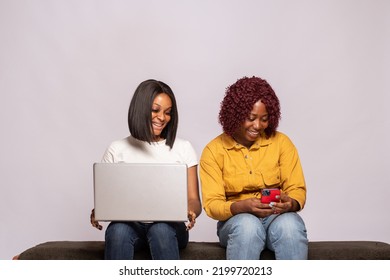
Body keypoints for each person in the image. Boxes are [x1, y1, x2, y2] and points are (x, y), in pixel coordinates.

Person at [90, 79, 202, 260]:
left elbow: (194, 200)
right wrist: (99, 211)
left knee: (160, 229)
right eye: (155, 110)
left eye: (168, 112)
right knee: (117, 231)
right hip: (130, 226)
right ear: (140, 109)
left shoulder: (184, 148)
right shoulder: (117, 149)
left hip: (170, 227)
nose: (162, 118)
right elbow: (108, 198)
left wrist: (190, 210)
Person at [200, 76, 308, 260]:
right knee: (248, 227)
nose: (257, 126)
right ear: (235, 114)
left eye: (264, 119)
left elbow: (297, 189)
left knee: (290, 227)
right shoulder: (214, 151)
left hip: (277, 217)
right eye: (250, 118)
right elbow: (212, 205)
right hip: (237, 223)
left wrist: (291, 203)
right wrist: (241, 207)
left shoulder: (281, 143)